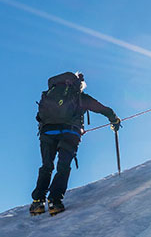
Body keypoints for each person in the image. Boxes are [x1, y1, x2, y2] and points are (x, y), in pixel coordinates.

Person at [30, 72, 121, 216]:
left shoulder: (50, 94)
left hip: (47, 132)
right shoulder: (80, 97)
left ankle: (37, 203)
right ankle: (54, 201)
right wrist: (114, 119)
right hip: (70, 133)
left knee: (47, 165)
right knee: (63, 166)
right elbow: (102, 109)